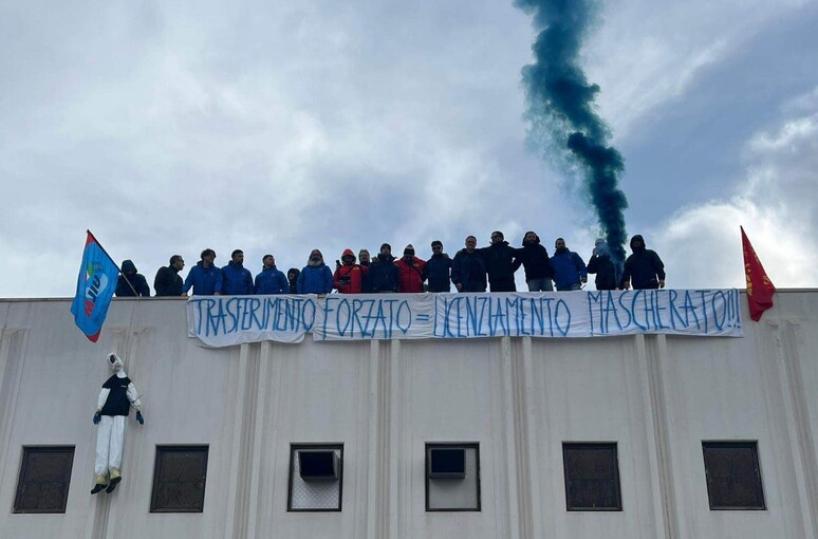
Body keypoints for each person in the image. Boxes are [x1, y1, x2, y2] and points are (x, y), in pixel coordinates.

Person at [91, 353, 144, 494]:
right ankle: (101, 476)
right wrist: (98, 410)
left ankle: (114, 471)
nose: (115, 363)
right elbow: (103, 395)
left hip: (120, 414)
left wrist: (138, 410)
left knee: (116, 441)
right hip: (106, 414)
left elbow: (133, 396)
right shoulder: (110, 382)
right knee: (102, 443)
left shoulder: (126, 382)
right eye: (112, 361)